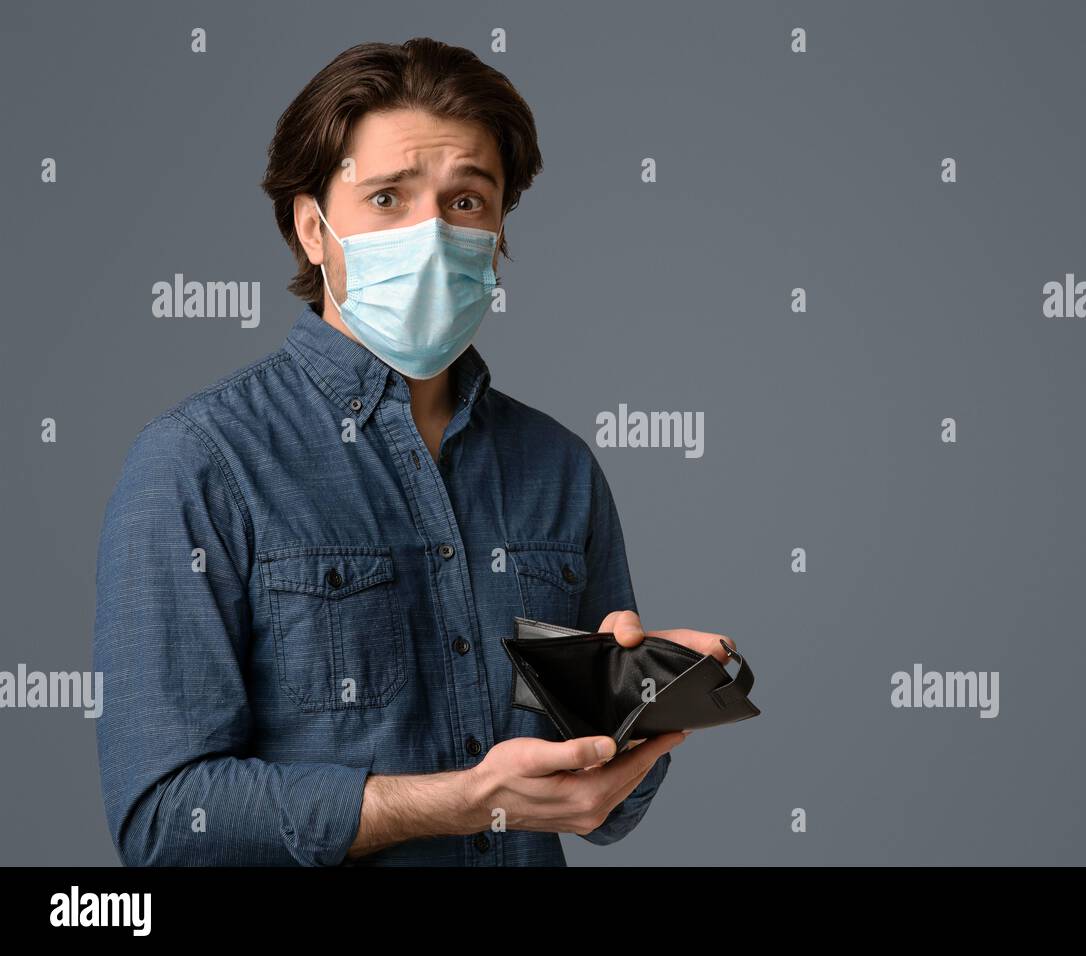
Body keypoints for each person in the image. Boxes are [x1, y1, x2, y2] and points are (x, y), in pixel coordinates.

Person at [92, 37, 735, 866]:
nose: (432, 233)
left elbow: (601, 813)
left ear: (500, 229)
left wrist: (640, 708)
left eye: (466, 201)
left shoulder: (561, 466)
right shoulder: (197, 462)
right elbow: (166, 823)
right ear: (312, 228)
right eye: (389, 198)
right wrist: (457, 803)